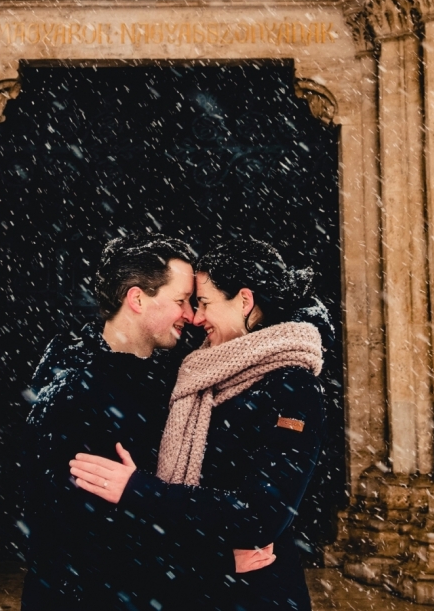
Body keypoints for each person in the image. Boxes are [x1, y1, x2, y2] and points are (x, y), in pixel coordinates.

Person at [70, 238, 329, 611]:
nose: (195, 316)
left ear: (244, 300)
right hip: (195, 587)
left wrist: (140, 491)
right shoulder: (195, 373)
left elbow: (259, 516)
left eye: (204, 302)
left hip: (255, 593)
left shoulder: (294, 387)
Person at [22, 233, 196, 611]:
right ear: (136, 299)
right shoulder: (74, 391)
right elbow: (79, 533)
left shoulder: (171, 377)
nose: (191, 315)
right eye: (181, 301)